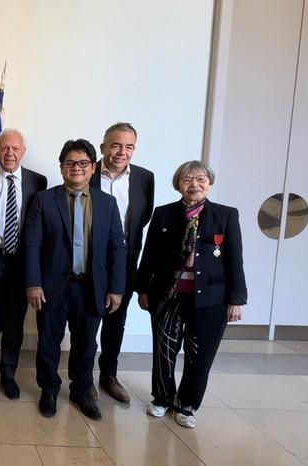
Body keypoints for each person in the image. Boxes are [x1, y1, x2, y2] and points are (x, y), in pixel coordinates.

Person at [136, 160, 246, 429]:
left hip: (210, 299)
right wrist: (141, 289)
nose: (194, 184)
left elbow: (235, 260)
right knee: (164, 348)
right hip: (168, 294)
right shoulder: (163, 214)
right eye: (188, 180)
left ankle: (187, 404)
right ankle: (162, 398)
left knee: (200, 353)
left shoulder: (226, 215)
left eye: (200, 179)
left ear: (209, 183)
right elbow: (148, 255)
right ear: (178, 185)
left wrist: (236, 299)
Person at [24, 138, 125, 421]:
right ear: (62, 168)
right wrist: (33, 283)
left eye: (82, 163)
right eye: (70, 163)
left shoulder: (107, 203)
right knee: (48, 342)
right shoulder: (44, 200)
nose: (76, 168)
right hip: (51, 287)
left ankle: (82, 391)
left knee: (86, 344)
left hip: (91, 287)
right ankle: (49, 390)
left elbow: (117, 247)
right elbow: (32, 244)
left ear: (93, 167)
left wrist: (116, 289)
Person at [89, 122, 154, 402]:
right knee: (88, 321)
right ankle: (83, 378)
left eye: (128, 146)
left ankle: (109, 375)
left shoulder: (144, 178)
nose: (121, 152)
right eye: (116, 145)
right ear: (103, 147)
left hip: (124, 263)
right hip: (89, 262)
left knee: (116, 321)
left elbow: (142, 218)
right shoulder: (86, 171)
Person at [0, 129, 47, 400]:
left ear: (23, 151)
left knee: (13, 325)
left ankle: (7, 375)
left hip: (21, 265)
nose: (10, 154)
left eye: (15, 149)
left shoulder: (37, 182)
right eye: (4, 149)